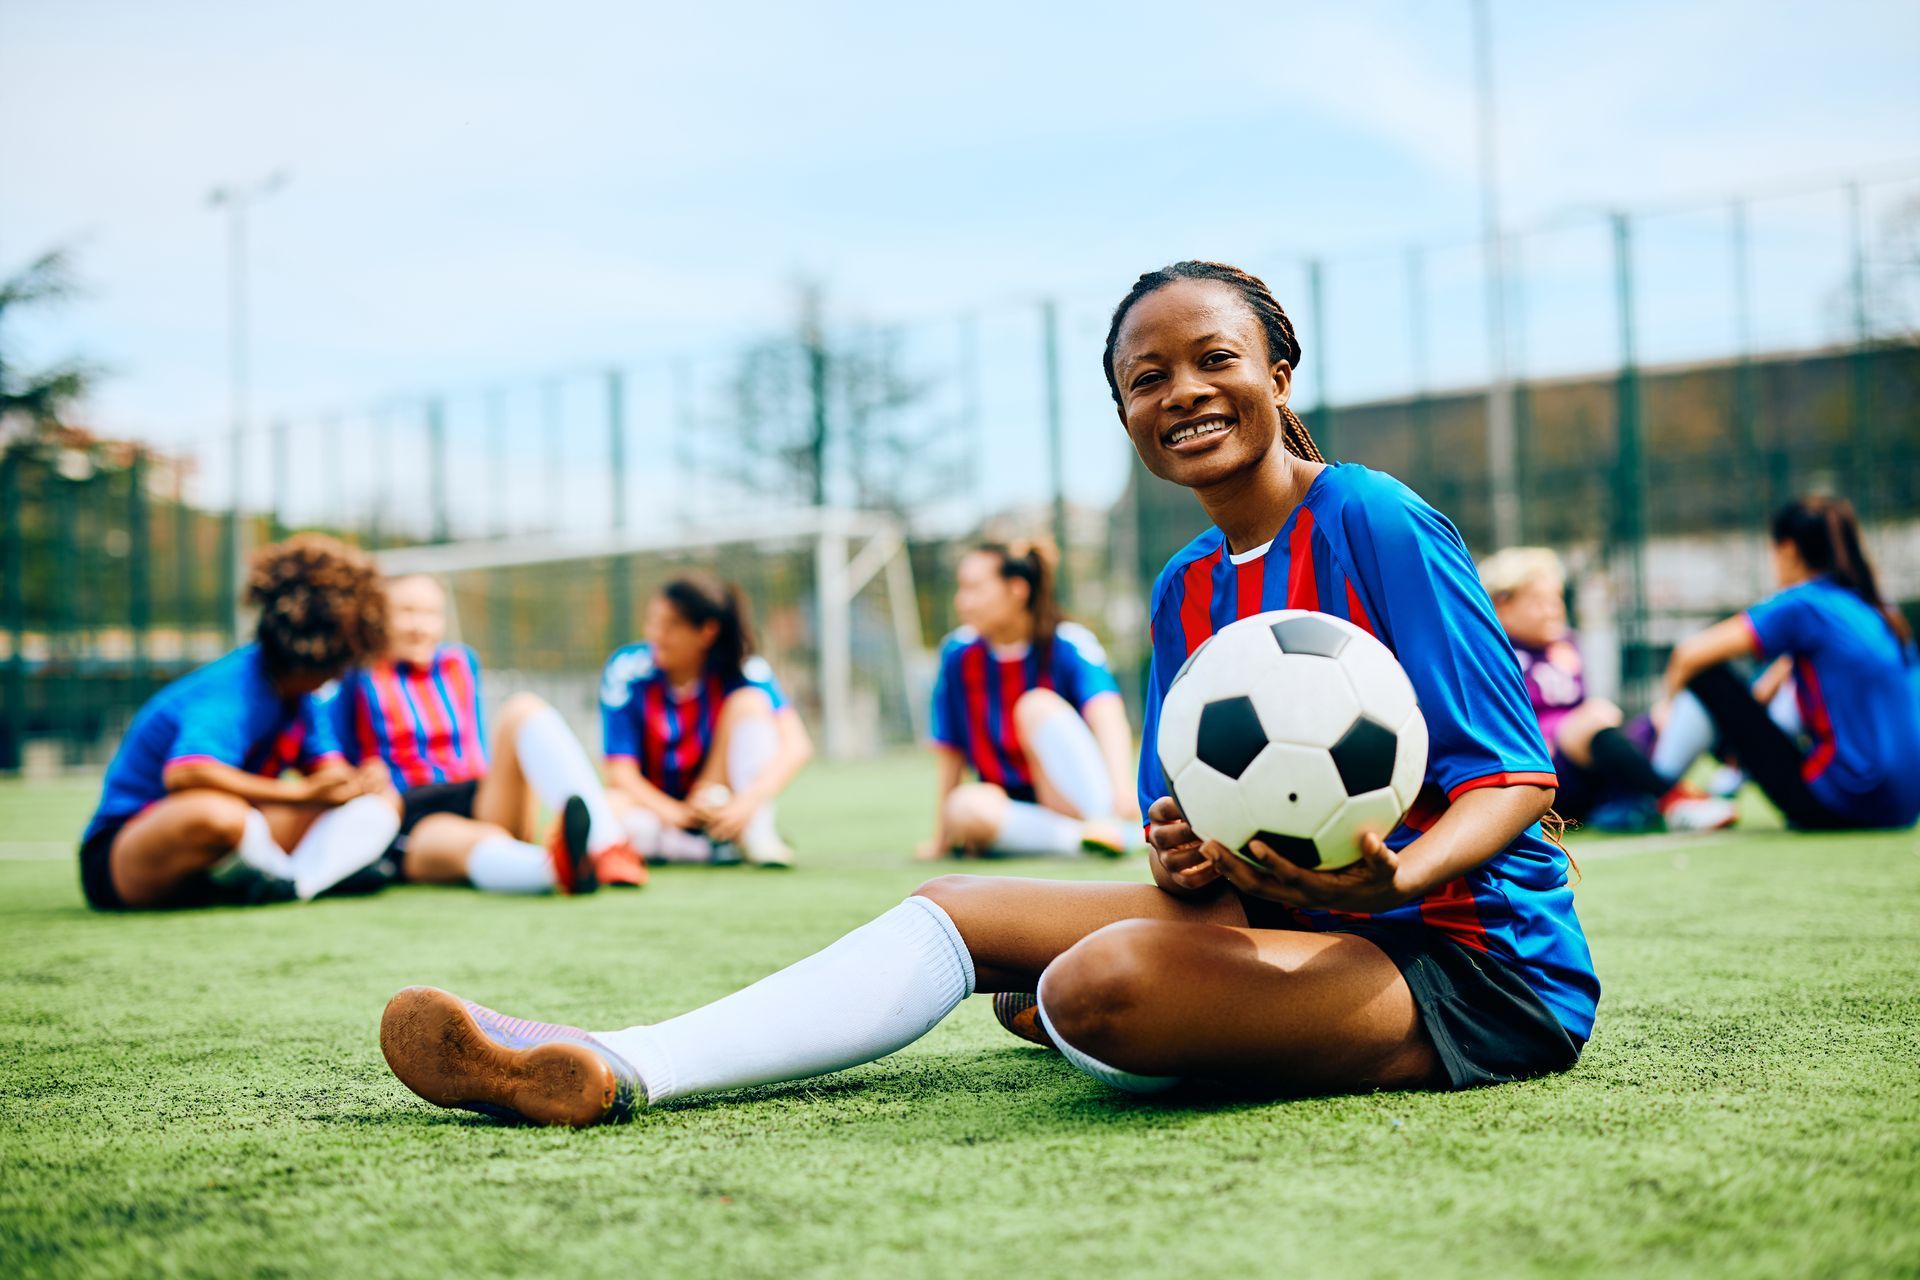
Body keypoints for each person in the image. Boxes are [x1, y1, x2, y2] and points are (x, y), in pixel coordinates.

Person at [376, 260, 1598, 1126]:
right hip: (1300, 921)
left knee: (1097, 985)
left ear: (1280, 370)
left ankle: (1125, 1015)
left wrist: (1403, 872)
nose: (1181, 392)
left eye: (1214, 359)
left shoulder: (1374, 516)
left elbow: (1516, 773)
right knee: (956, 902)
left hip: (1467, 958)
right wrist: (1184, 854)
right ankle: (614, 1060)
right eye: (1145, 376)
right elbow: (1186, 825)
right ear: (1122, 410)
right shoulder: (1182, 590)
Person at [78, 534, 400, 910]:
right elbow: (187, 774)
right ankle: (290, 874)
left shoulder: (304, 696)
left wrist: (360, 781)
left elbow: (329, 775)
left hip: (232, 840)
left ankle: (297, 884)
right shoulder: (234, 688)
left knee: (382, 800)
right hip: (127, 851)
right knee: (219, 815)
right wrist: (302, 793)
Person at [324, 573, 646, 894]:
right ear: (378, 617)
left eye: (431, 614)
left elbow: (474, 745)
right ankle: (555, 869)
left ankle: (607, 846)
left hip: (479, 796)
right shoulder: (357, 674)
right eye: (406, 612)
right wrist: (363, 776)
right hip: (414, 815)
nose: (419, 626)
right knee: (478, 841)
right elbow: (330, 757)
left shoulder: (459, 663)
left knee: (523, 708)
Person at [1653, 497, 1920, 831]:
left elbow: (1689, 654)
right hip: (1905, 807)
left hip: (1842, 802)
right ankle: (1727, 776)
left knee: (1710, 676)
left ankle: (1653, 790)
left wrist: (1664, 710)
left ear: (1788, 550)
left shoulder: (1803, 605)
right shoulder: (1877, 609)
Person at [1479, 547, 1733, 832]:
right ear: (1503, 606)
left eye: (1557, 600)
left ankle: (1637, 802)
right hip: (1540, 775)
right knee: (1592, 719)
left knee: (1667, 713)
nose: (1553, 611)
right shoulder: (1491, 654)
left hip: (1585, 761)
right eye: (1539, 601)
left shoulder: (1565, 646)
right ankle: (1674, 801)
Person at [919, 540, 1136, 860]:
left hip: (1072, 798)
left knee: (1036, 706)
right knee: (964, 807)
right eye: (960, 588)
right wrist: (941, 838)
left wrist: (1122, 790)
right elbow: (950, 750)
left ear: (1017, 589)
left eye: (975, 588)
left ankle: (1104, 823)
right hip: (1014, 807)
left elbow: (1106, 712)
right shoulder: (957, 655)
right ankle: (1088, 841)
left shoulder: (1068, 642)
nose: (962, 602)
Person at [599, 573, 812, 867]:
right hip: (655, 808)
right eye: (653, 621)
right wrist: (675, 813)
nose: (656, 635)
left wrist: (746, 803)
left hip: (716, 797)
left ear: (706, 632)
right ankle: (715, 845)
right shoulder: (626, 669)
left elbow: (796, 745)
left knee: (749, 704)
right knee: (605, 809)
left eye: (671, 625)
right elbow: (619, 773)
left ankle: (753, 832)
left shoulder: (745, 670)